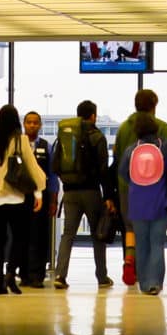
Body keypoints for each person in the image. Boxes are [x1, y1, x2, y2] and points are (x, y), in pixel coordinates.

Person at [0, 105, 45, 295]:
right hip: (15, 198)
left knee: (0, 238)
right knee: (20, 238)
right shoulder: (20, 141)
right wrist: (38, 192)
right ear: (16, 121)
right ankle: (11, 273)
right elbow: (32, 168)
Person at [53, 101, 116, 290]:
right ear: (94, 116)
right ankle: (102, 277)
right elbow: (103, 170)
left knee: (68, 235)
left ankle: (60, 275)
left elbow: (56, 165)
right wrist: (108, 196)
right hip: (91, 192)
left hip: (70, 192)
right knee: (98, 234)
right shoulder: (97, 136)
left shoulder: (67, 136)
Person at [123, 126, 167, 295]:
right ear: (156, 132)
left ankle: (144, 284)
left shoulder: (131, 150)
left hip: (138, 204)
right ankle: (155, 283)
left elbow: (123, 173)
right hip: (161, 203)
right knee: (157, 244)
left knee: (142, 245)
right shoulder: (165, 147)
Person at [114, 89, 167, 283]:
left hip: (128, 189)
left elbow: (118, 159)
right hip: (156, 191)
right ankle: (150, 277)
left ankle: (130, 258)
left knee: (131, 228)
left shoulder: (123, 128)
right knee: (154, 237)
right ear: (154, 105)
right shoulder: (162, 127)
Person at [22, 112, 61, 287]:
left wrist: (53, 199)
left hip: (42, 197)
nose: (32, 125)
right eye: (29, 122)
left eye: (35, 123)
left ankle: (37, 274)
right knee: (21, 235)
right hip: (20, 196)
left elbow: (52, 175)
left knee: (39, 235)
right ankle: (23, 273)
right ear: (24, 124)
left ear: (40, 125)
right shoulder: (17, 145)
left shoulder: (46, 147)